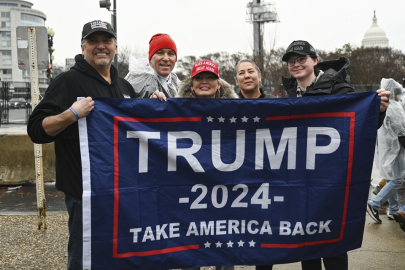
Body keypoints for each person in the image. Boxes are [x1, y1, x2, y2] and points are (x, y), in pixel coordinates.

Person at [27, 20, 137, 270]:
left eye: (106, 41)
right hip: (83, 192)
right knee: (83, 257)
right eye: (93, 41)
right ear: (83, 46)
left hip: (121, 191)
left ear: (115, 47)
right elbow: (36, 130)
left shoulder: (123, 86)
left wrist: (156, 105)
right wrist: (71, 114)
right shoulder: (68, 81)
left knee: (119, 256)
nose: (101, 46)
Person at [278, 40, 390, 270]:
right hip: (302, 179)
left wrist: (377, 110)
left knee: (333, 242)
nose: (296, 64)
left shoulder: (337, 87)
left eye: (301, 59)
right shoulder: (290, 94)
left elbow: (361, 122)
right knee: (306, 240)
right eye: (291, 61)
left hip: (332, 180)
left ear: (315, 61)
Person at [175, 59, 237, 270]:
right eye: (199, 78)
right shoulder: (175, 112)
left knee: (225, 249)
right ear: (191, 84)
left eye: (209, 78)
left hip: (225, 191)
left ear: (218, 83)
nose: (204, 82)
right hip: (191, 192)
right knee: (191, 249)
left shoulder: (237, 112)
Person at [367, 78, 405, 223]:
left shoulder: (384, 105)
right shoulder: (395, 107)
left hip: (385, 148)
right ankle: (374, 203)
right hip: (395, 149)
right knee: (397, 179)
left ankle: (394, 209)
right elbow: (401, 131)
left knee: (391, 177)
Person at [125, 33, 180, 99]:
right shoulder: (137, 82)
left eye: (170, 54)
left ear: (175, 59)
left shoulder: (177, 84)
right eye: (160, 53)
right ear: (150, 59)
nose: (166, 58)